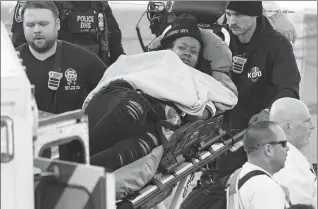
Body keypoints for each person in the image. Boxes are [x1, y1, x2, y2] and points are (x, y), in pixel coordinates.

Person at [84, 14, 238, 171]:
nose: (187, 53)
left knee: (143, 145)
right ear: (170, 49)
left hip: (155, 122)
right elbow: (125, 71)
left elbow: (215, 104)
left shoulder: (201, 80)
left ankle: (82, 170)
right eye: (182, 47)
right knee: (134, 107)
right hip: (125, 96)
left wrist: (193, 109)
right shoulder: (156, 61)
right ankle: (77, 156)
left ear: (199, 58)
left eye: (193, 51)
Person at [16, 1, 107, 159]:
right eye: (30, 25)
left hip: (73, 159)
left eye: (43, 24)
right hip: (23, 157)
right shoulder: (10, 65)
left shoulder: (85, 61)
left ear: (57, 24)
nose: (37, 30)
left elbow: (111, 98)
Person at [223, 1, 301, 132]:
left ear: (255, 15)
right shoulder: (221, 38)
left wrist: (269, 112)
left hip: (260, 128)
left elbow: (289, 89)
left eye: (238, 15)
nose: (232, 22)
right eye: (228, 14)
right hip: (222, 130)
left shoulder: (278, 45)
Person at [11, 1, 125, 66]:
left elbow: (116, 51)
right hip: (51, 86)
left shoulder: (99, 5)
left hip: (94, 85)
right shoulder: (33, 5)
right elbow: (18, 53)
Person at [228, 121, 290, 209]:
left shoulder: (237, 176)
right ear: (269, 149)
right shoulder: (266, 188)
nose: (288, 148)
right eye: (283, 144)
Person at [270, 98, 317, 208]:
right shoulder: (287, 166)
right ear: (288, 127)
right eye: (307, 121)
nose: (312, 125)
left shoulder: (285, 154)